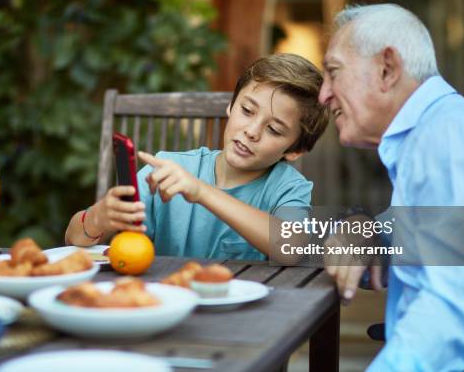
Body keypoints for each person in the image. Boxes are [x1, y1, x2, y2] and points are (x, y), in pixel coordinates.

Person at [319, 3, 464, 370]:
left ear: (387, 68)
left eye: (333, 72)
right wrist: (362, 228)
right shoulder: (437, 136)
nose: (324, 95)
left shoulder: (452, 139)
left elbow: (449, 312)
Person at [65, 53, 329, 261]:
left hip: (243, 322)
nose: (252, 131)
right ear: (231, 105)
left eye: (273, 129)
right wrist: (99, 217)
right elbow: (73, 239)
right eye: (247, 110)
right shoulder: (171, 168)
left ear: (294, 150)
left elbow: (292, 247)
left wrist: (201, 192)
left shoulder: (288, 187)